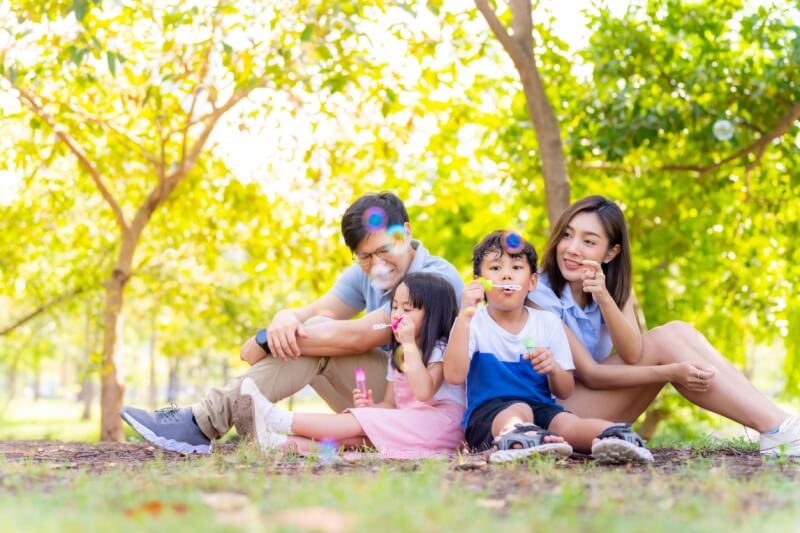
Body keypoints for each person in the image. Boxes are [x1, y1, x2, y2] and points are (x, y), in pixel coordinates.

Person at [120, 192, 464, 454]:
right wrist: (283, 320)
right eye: (364, 256)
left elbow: (358, 337)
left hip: (432, 408)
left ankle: (204, 420)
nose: (376, 264)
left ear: (405, 233)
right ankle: (212, 421)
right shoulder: (370, 271)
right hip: (392, 400)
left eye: (384, 249)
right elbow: (316, 311)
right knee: (314, 326)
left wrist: (268, 341)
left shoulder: (434, 280)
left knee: (321, 342)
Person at [531, 195, 800, 456]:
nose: (572, 248)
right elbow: (591, 374)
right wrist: (671, 372)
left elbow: (633, 354)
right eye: (567, 235)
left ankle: (779, 424)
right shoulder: (537, 293)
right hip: (555, 414)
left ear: (611, 253)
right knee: (663, 341)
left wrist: (604, 298)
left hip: (593, 406)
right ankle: (776, 428)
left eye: (588, 241)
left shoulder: (609, 287)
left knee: (678, 331)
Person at [444, 231, 653, 464]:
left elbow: (564, 390)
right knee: (519, 410)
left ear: (532, 282)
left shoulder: (547, 322)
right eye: (495, 268)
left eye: (516, 267)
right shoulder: (472, 322)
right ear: (478, 282)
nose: (505, 275)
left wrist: (553, 368)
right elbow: (453, 375)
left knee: (567, 422)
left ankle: (615, 436)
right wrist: (463, 316)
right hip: (488, 418)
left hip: (541, 408)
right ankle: (518, 439)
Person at [233, 272, 466, 459]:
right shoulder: (398, 354)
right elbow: (390, 404)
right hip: (409, 425)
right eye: (395, 306)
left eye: (408, 308)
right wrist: (371, 408)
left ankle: (277, 418)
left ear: (433, 315)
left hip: (440, 427)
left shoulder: (439, 348)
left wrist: (408, 344)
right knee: (357, 439)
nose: (397, 313)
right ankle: (280, 444)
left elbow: (424, 393)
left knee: (356, 423)